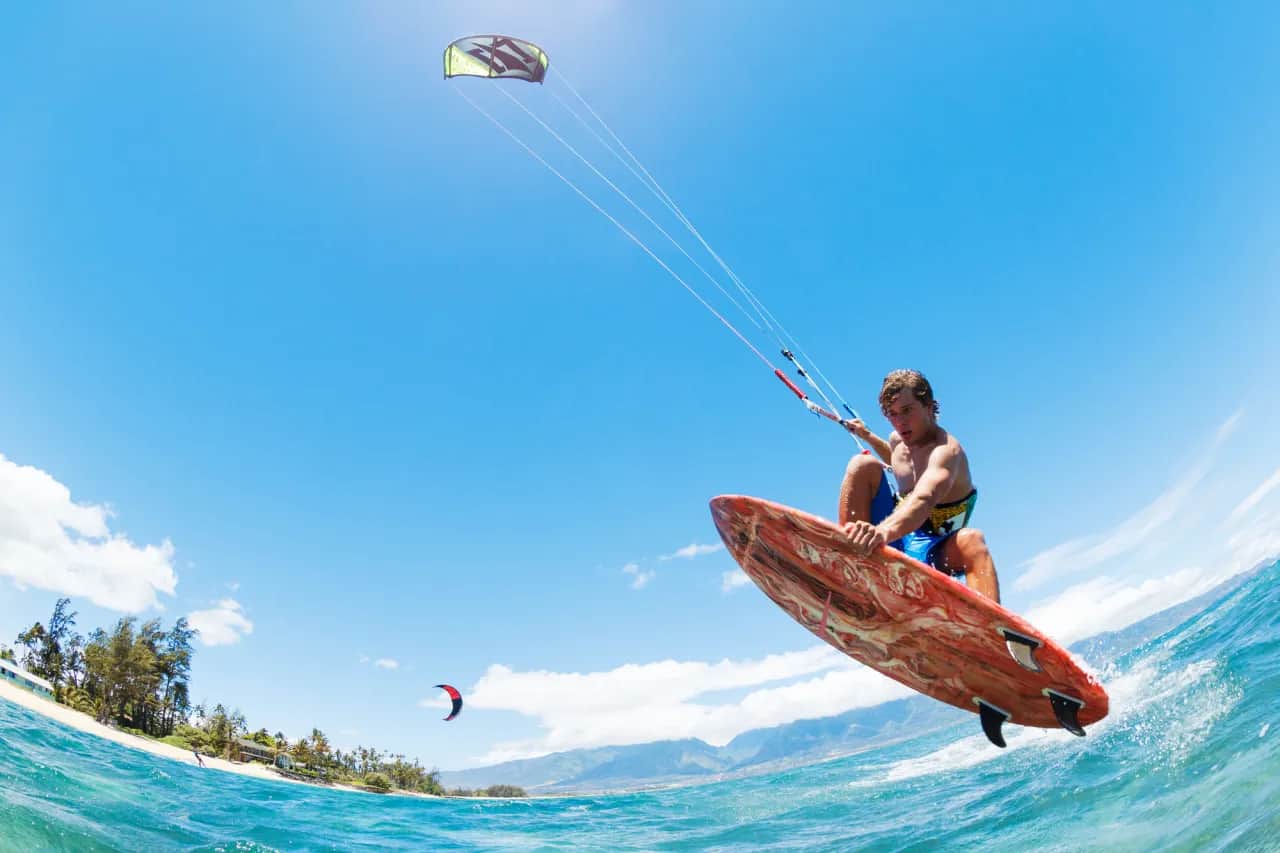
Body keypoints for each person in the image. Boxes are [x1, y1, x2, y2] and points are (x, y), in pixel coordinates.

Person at [837, 369, 1000, 602]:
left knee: (972, 540)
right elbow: (898, 462)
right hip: (896, 541)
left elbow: (923, 499)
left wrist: (881, 532)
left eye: (906, 410)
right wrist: (867, 436)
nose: (899, 422)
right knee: (862, 464)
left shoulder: (946, 453)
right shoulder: (898, 442)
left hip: (935, 552)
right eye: (891, 414)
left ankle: (992, 630)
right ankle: (851, 562)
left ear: (929, 406)